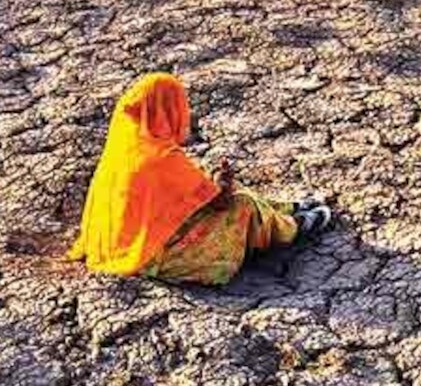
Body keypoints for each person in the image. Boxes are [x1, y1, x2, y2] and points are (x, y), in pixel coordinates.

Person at [67, 72, 332, 285]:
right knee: (241, 205)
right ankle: (294, 227)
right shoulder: (161, 157)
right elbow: (218, 203)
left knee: (237, 193)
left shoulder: (126, 148)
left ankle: (287, 210)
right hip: (150, 256)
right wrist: (223, 183)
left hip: (122, 242)